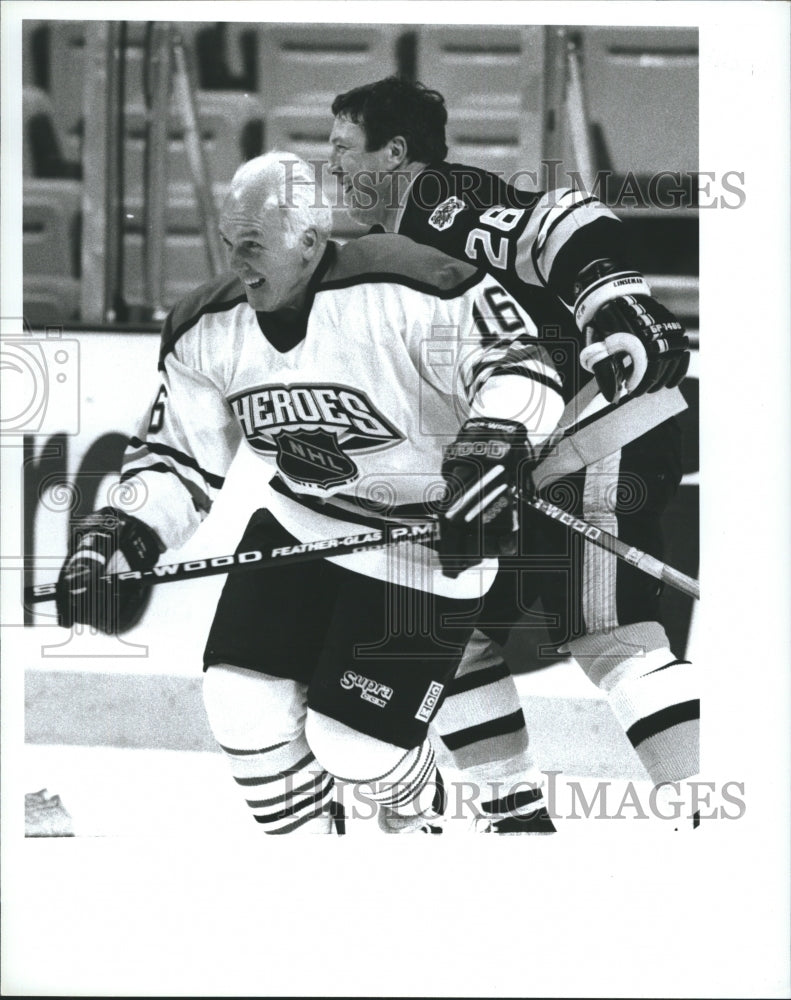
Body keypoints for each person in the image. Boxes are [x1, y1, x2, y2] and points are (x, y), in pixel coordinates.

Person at [55, 152, 566, 834]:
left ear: (308, 239)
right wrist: (115, 537)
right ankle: (310, 880)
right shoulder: (206, 330)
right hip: (298, 527)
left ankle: (423, 806)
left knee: (351, 747)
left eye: (253, 245)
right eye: (227, 242)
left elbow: (518, 362)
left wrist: (490, 444)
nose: (236, 262)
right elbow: (177, 461)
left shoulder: (408, 284)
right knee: (240, 705)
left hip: (423, 541)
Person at [328, 77, 698, 828]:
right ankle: (515, 820)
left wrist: (614, 296)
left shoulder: (437, 198)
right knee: (443, 632)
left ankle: (718, 820)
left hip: (600, 430)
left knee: (611, 637)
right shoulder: (381, 256)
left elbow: (566, 220)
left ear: (393, 153)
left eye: (340, 147)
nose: (328, 166)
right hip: (529, 452)